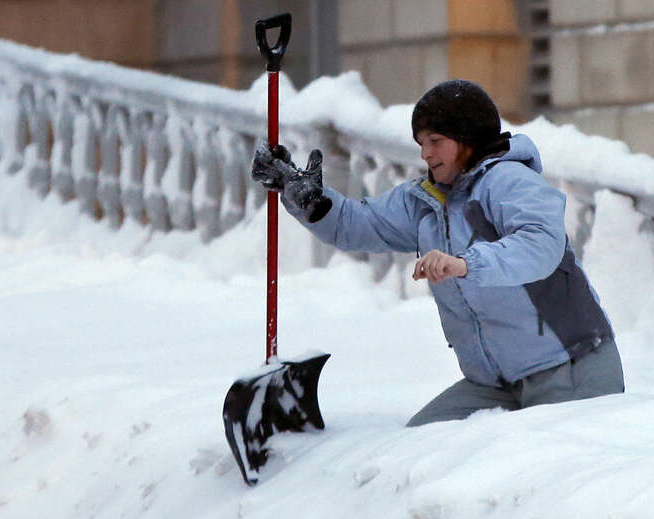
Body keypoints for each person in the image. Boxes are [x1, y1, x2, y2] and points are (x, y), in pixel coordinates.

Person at [251, 79, 624, 427]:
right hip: (496, 382)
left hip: (570, 369)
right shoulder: (427, 201)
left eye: (436, 141)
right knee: (421, 450)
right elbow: (360, 225)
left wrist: (464, 264)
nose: (426, 154)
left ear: (467, 139)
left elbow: (540, 246)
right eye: (421, 144)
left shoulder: (509, 180)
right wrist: (311, 201)